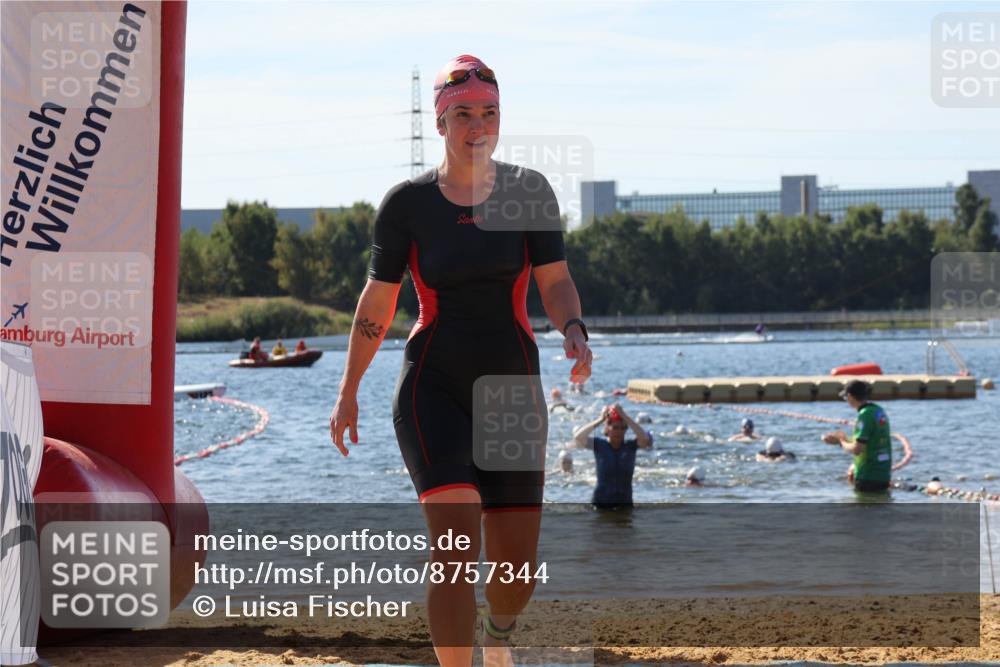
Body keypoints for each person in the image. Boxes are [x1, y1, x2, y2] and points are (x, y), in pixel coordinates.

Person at [328, 54, 592, 667]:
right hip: (434, 386)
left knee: (516, 573)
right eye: (466, 114)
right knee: (453, 545)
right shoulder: (407, 205)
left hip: (512, 390)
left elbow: (555, 281)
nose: (479, 125)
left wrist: (573, 328)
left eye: (490, 113)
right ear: (441, 122)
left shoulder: (529, 191)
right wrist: (348, 389)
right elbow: (379, 302)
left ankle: (497, 641)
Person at [571, 403, 653, 509]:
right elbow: (578, 437)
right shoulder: (600, 446)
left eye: (623, 428)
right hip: (600, 503)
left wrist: (624, 415)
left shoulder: (630, 446)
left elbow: (645, 439)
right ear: (607, 429)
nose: (619, 431)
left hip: (624, 504)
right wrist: (600, 419)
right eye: (615, 427)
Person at [822, 380, 892, 492]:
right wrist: (844, 439)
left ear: (850, 396)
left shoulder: (864, 414)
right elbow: (869, 442)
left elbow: (857, 449)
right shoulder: (878, 410)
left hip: (868, 476)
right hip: (883, 474)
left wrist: (840, 441)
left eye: (845, 398)